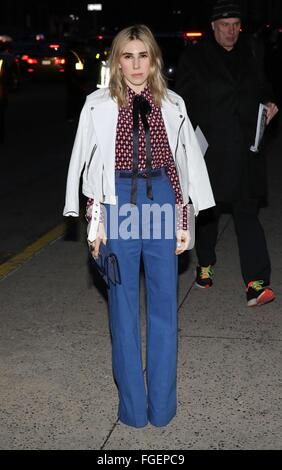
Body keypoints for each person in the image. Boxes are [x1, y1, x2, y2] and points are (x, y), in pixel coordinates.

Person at [63, 24, 214, 428]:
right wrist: (95, 226)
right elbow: (90, 172)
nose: (135, 64)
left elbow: (182, 167)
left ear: (154, 59)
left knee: (165, 307)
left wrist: (186, 221)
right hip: (117, 201)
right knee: (123, 309)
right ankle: (131, 408)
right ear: (116, 60)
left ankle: (162, 407)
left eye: (142, 55)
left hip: (162, 199)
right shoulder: (97, 104)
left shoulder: (174, 103)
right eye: (127, 56)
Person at [176, 0, 279, 308]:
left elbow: (263, 86)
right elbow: (182, 102)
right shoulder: (195, 57)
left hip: (247, 147)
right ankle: (205, 263)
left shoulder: (252, 51)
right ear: (213, 27)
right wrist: (186, 146)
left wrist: (271, 104)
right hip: (211, 150)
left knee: (247, 214)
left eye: (236, 25)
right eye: (225, 25)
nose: (231, 31)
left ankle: (256, 283)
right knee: (209, 214)